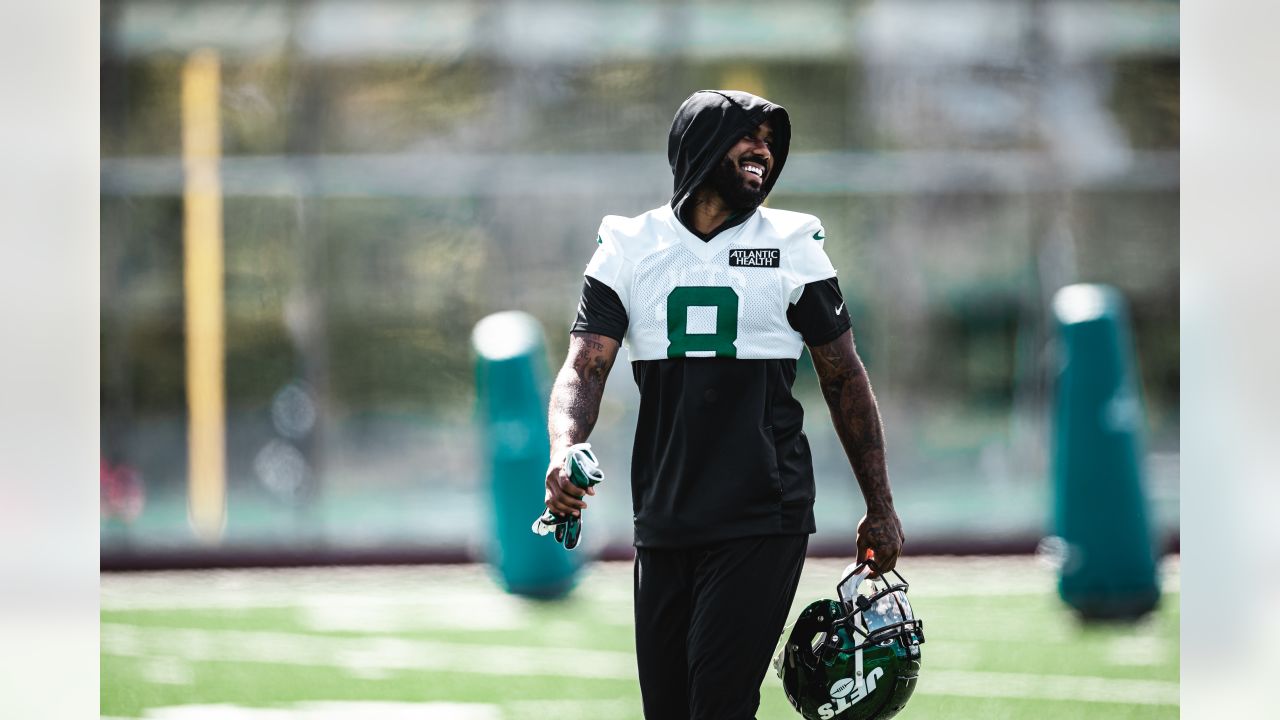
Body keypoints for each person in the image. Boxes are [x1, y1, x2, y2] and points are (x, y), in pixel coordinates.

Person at [543, 89, 905, 720]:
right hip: (665, 511)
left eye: (770, 139)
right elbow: (585, 366)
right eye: (748, 136)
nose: (764, 150)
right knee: (670, 710)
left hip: (762, 510)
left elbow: (844, 378)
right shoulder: (629, 246)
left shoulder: (793, 244)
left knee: (719, 706)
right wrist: (564, 446)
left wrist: (880, 506)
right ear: (699, 146)